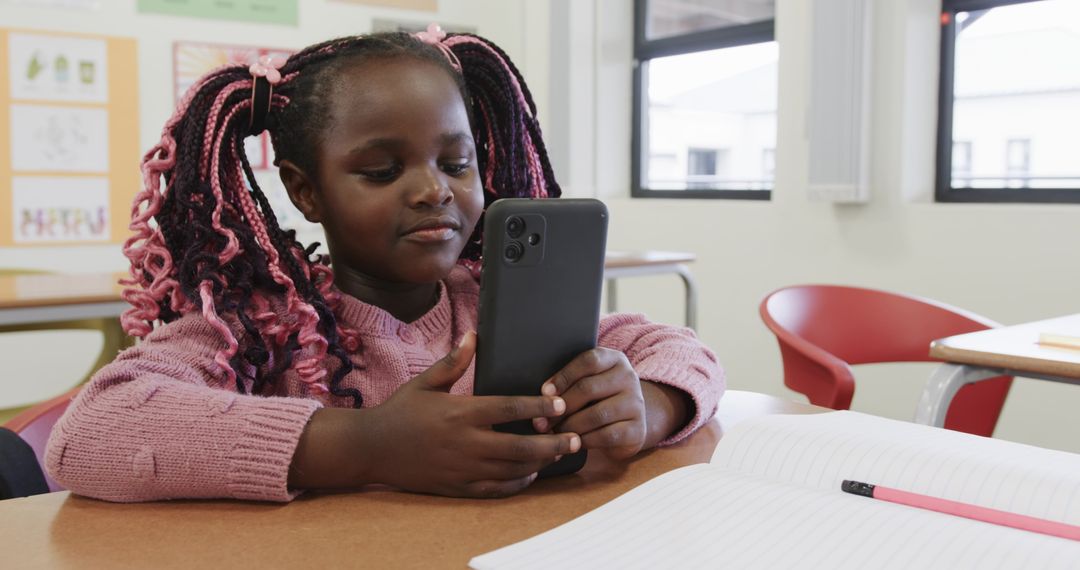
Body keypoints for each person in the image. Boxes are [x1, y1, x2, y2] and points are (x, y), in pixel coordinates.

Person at [45, 26, 724, 502]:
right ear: (306, 190)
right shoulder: (257, 331)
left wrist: (652, 404)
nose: (434, 189)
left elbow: (680, 348)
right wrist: (368, 446)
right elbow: (89, 434)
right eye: (380, 170)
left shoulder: (499, 301)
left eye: (457, 163)